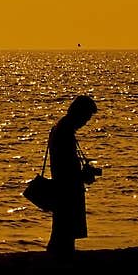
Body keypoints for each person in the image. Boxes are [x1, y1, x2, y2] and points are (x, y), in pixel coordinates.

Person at [46, 95, 99, 256]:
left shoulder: (61, 128)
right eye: (87, 117)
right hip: (67, 188)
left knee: (62, 230)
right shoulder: (65, 132)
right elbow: (66, 165)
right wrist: (83, 176)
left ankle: (59, 258)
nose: (86, 122)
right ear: (80, 113)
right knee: (65, 231)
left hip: (64, 186)